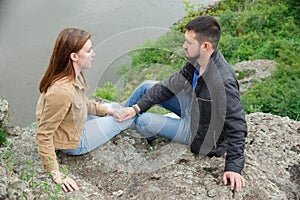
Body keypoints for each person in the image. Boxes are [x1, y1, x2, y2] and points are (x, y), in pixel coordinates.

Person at [117, 16, 247, 192]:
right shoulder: (197, 62)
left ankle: (144, 136)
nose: (184, 46)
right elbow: (168, 86)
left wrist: (233, 167)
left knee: (144, 121)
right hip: (194, 109)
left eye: (188, 42)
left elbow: (237, 124)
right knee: (147, 86)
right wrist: (134, 108)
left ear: (205, 46)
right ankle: (119, 119)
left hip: (200, 133)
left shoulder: (222, 82)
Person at [36, 28, 132, 192]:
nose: (93, 54)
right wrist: (55, 172)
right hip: (75, 140)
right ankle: (146, 126)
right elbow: (43, 134)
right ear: (74, 56)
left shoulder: (73, 74)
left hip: (75, 124)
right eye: (88, 51)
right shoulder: (62, 91)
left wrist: (108, 110)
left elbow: (83, 104)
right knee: (129, 117)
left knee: (117, 109)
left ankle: (131, 115)